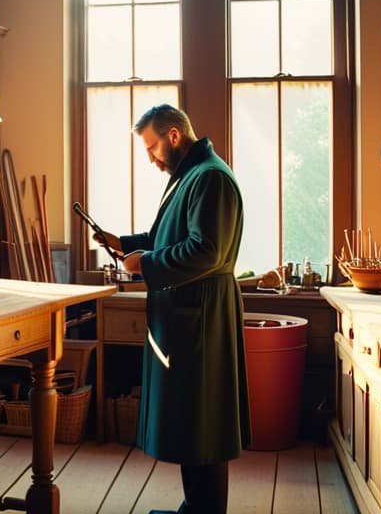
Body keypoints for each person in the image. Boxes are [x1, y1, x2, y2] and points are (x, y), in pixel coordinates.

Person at [93, 104, 250, 514]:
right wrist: (124, 243)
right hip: (188, 313)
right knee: (191, 424)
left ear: (175, 135)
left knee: (204, 425)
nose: (151, 158)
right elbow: (167, 235)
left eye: (152, 148)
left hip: (201, 316)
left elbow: (206, 251)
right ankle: (196, 509)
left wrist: (143, 264)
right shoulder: (189, 176)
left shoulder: (210, 178)